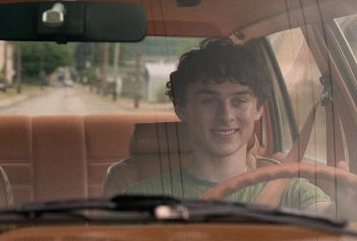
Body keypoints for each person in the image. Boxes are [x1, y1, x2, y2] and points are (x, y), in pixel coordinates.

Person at [123, 37, 332, 213]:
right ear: (182, 108)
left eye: (239, 101)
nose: (226, 116)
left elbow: (327, 213)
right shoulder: (141, 197)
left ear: (258, 109)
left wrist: (344, 208)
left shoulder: (290, 191)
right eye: (209, 101)